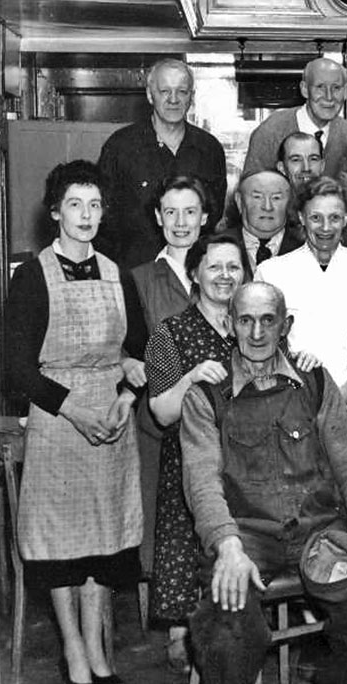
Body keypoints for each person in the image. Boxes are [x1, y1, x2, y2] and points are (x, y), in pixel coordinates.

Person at [179, 281, 347, 684]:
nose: (257, 333)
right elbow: (201, 482)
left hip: (318, 533)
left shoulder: (314, 381)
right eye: (245, 320)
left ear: (286, 326)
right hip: (247, 541)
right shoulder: (205, 396)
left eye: (268, 320)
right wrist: (227, 545)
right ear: (228, 324)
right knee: (226, 625)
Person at [5, 160, 148, 684]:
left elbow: (143, 351)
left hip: (111, 422)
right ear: (55, 211)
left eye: (94, 205)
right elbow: (16, 370)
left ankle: (97, 643)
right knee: (62, 546)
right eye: (74, 205)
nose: (86, 216)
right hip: (58, 422)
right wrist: (74, 409)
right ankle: (73, 649)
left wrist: (128, 395)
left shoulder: (117, 273)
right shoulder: (32, 275)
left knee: (105, 543)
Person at [142, 232, 250, 674]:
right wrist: (190, 377)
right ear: (195, 273)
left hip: (245, 464)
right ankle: (186, 632)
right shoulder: (170, 333)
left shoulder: (255, 327)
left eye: (233, 267)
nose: (224, 276)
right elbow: (163, 413)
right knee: (187, 549)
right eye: (214, 266)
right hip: (190, 463)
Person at [131, 175, 211, 632]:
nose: (181, 223)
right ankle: (179, 629)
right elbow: (129, 345)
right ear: (158, 218)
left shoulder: (223, 266)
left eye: (190, 212)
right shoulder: (140, 277)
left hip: (216, 420)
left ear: (205, 217)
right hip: (163, 422)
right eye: (171, 213)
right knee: (170, 527)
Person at [255, 177, 347, 393]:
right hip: (294, 397)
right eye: (316, 218)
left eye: (334, 217)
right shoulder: (271, 273)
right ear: (301, 217)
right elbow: (260, 341)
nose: (326, 228)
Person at [98, 59, 226, 269]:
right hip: (135, 274)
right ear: (150, 95)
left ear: (191, 97)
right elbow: (104, 219)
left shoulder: (209, 149)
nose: (173, 99)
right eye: (165, 91)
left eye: (182, 91)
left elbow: (212, 218)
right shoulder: (120, 147)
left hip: (193, 274)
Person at [242, 58, 347, 180]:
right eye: (320, 87)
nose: (329, 96)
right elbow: (251, 191)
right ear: (304, 89)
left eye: (336, 88)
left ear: (345, 92)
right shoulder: (271, 132)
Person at [228, 170, 302, 273]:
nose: (267, 207)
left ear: (289, 203)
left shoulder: (305, 250)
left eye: (276, 198)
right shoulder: (215, 246)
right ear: (239, 201)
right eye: (257, 197)